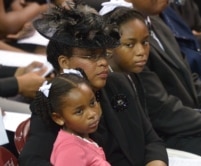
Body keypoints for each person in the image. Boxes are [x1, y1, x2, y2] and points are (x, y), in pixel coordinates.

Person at [19, 4, 168, 166]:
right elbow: (31, 160)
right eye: (91, 57)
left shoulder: (119, 83)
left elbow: (152, 140)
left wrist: (156, 163)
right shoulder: (52, 103)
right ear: (64, 62)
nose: (104, 62)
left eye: (104, 55)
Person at [99, 0, 201, 159]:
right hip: (173, 135)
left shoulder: (158, 23)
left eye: (145, 42)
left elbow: (192, 80)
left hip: (194, 126)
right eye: (131, 44)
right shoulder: (122, 61)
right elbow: (161, 111)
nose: (141, 51)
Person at [34, 69, 110, 166]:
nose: (92, 114)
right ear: (58, 118)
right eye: (79, 111)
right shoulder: (70, 150)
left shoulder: (82, 138)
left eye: (92, 103)